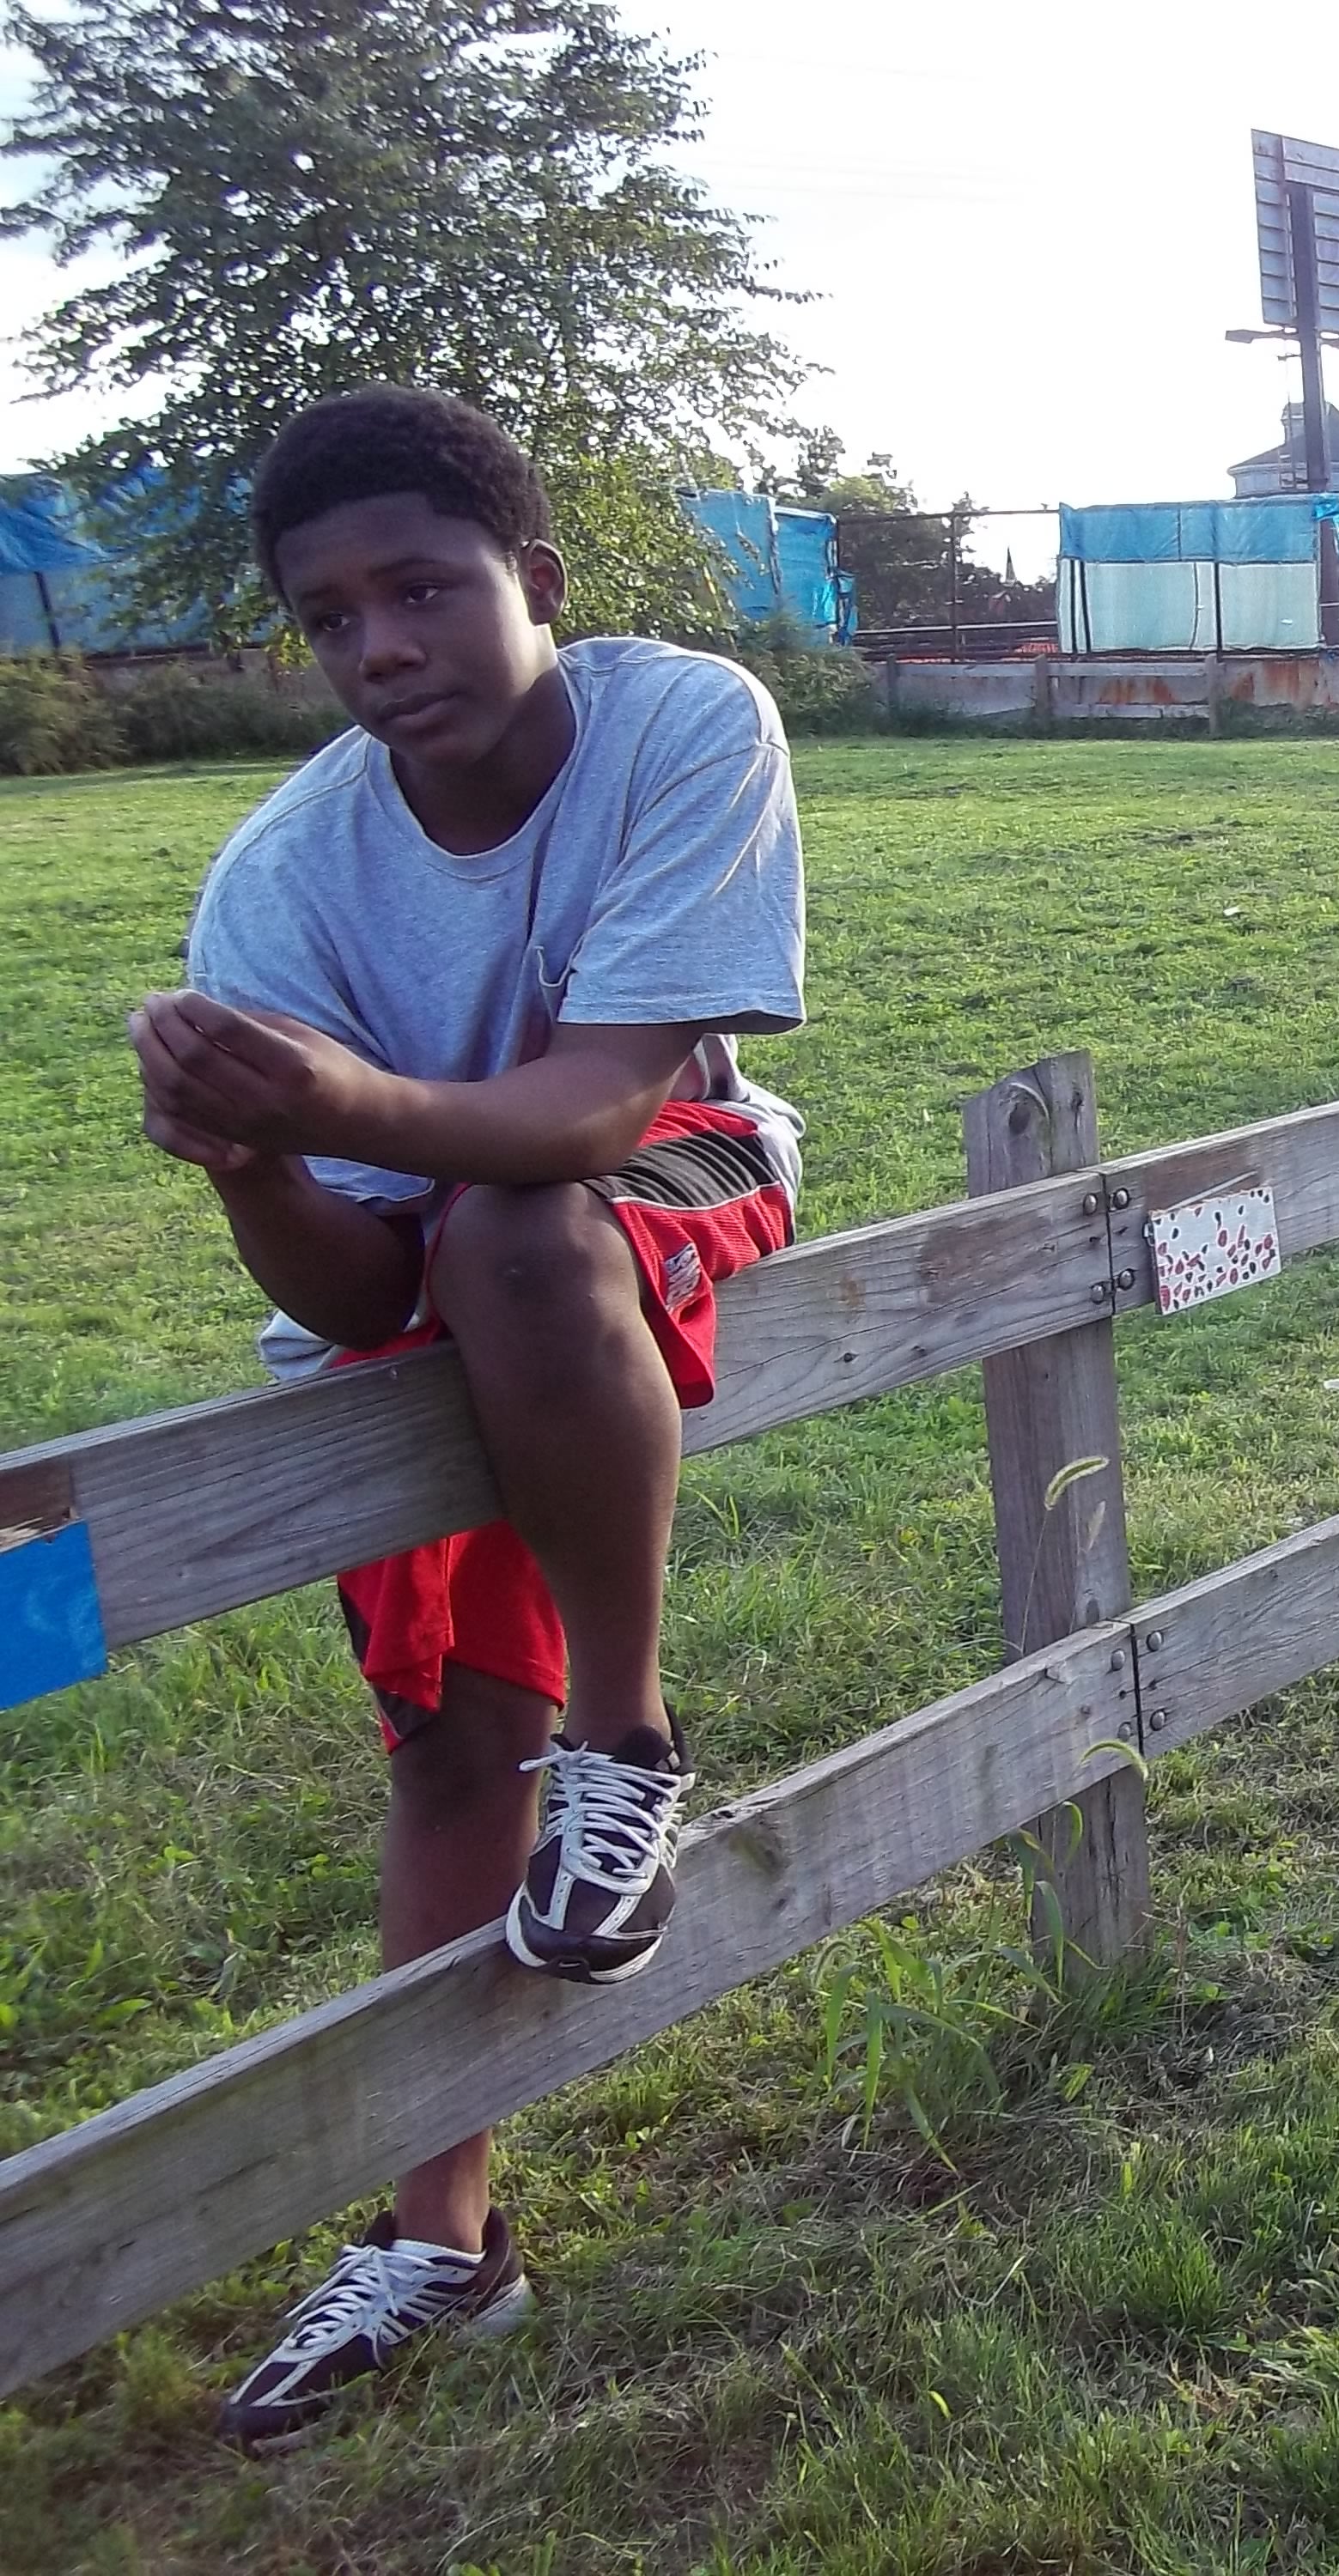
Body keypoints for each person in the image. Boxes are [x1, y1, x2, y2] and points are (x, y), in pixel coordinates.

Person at [128, 387, 808, 2451]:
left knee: (525, 1223)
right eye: (329, 619)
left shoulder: (682, 722)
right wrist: (250, 1160)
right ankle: (444, 2238)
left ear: (538, 581)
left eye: (420, 587)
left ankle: (633, 1740)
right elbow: (346, 1280)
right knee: (442, 1742)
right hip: (428, 1255)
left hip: (658, 1162)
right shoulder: (284, 878)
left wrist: (335, 1107)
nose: (381, 647)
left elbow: (602, 1102)